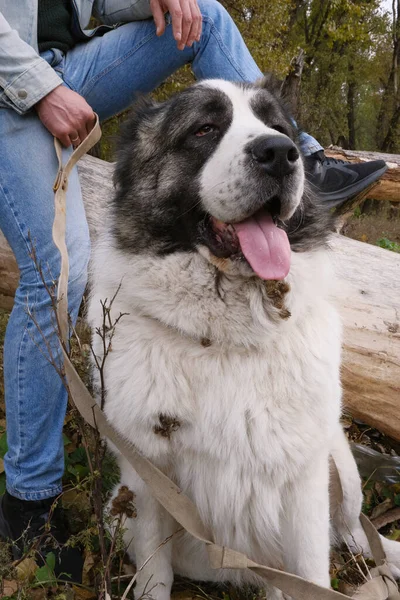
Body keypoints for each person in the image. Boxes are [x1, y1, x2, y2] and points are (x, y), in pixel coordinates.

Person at [0, 0, 387, 581]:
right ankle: (28, 502)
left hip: (65, 66)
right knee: (59, 269)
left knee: (197, 9)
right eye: (205, 131)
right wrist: (37, 87)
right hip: (9, 85)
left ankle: (305, 155)